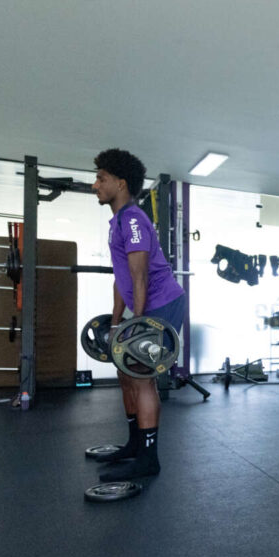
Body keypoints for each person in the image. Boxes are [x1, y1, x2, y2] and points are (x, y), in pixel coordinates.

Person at [89, 148, 185, 482]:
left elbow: (141, 276)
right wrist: (117, 323)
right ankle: (134, 444)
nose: (95, 185)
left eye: (101, 179)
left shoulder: (132, 220)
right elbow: (123, 278)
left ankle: (149, 458)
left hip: (162, 302)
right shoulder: (118, 221)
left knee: (141, 373)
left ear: (121, 183)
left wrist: (137, 324)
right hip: (145, 304)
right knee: (124, 371)